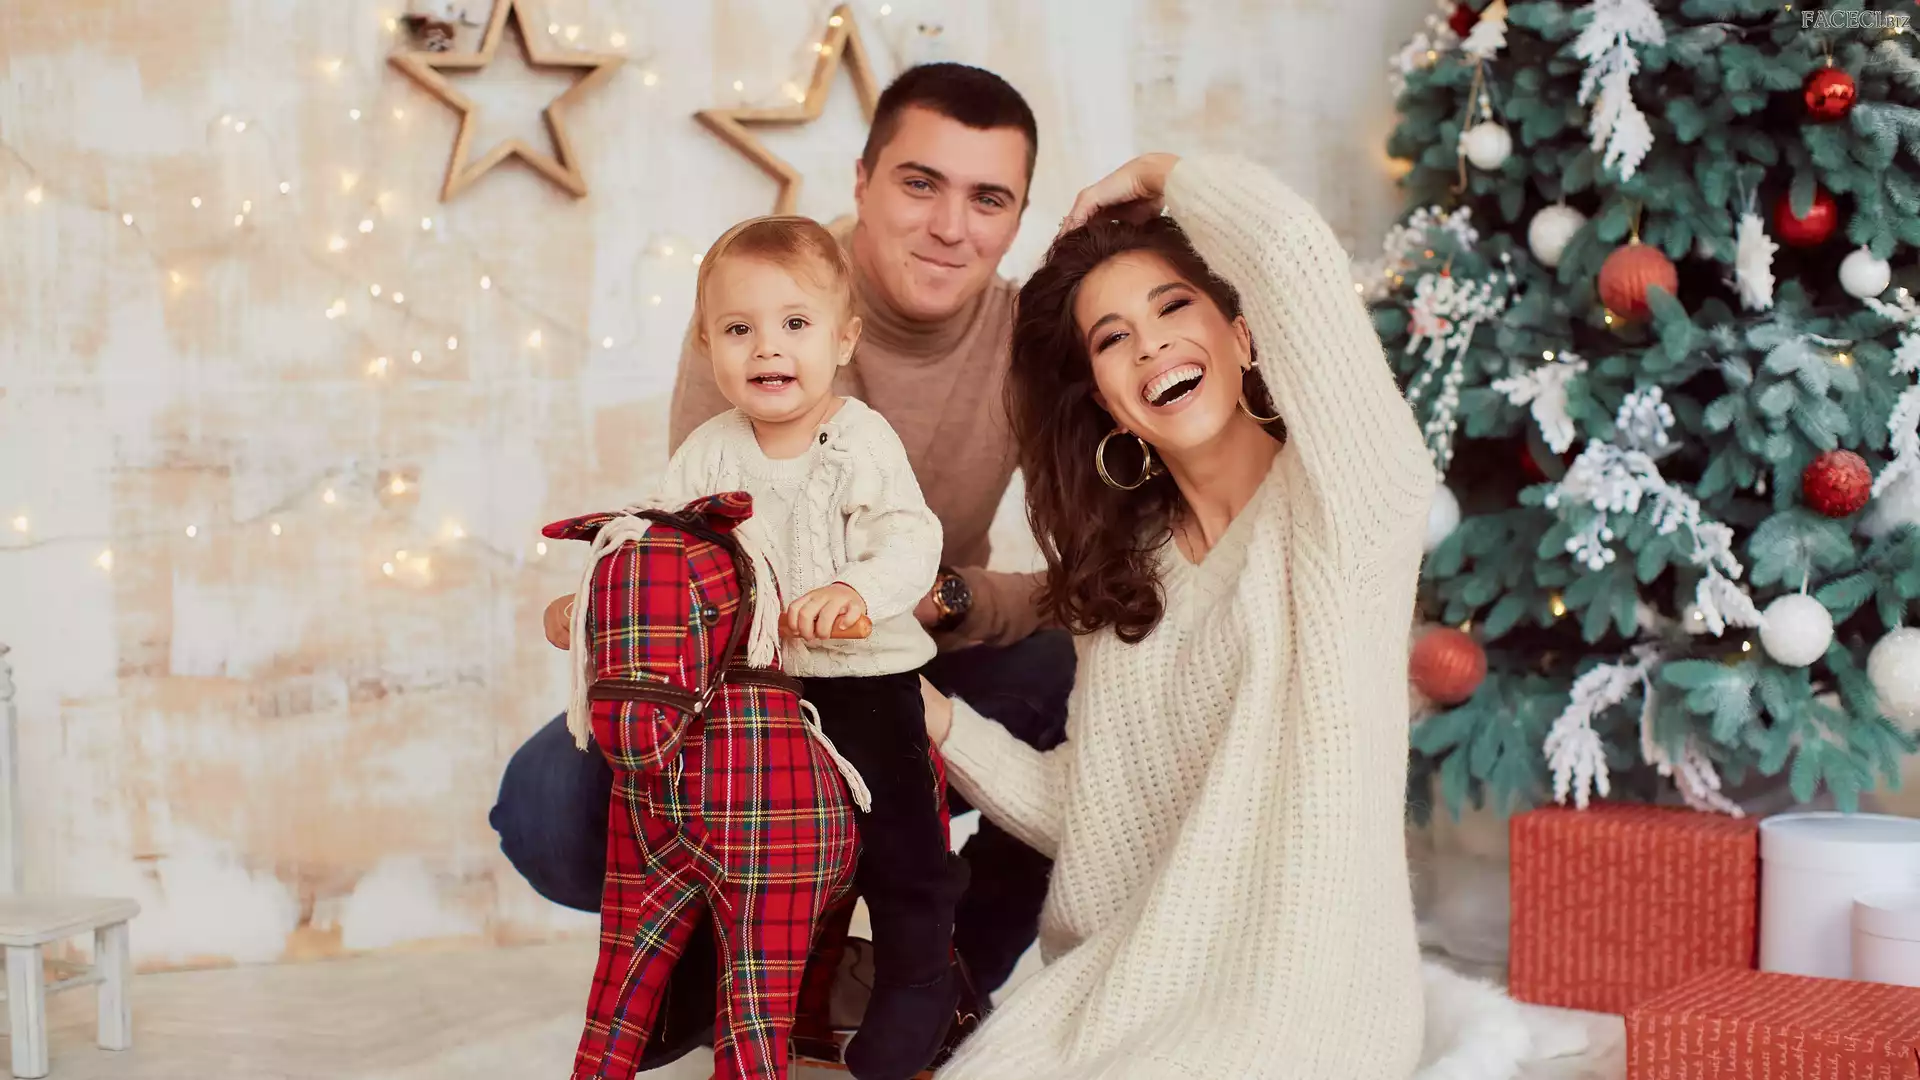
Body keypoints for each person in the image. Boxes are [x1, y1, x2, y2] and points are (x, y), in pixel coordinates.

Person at [490, 62, 1072, 1056]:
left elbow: (1087, 579)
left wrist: (948, 600)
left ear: (1018, 216)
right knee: (549, 803)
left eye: (989, 199)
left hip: (908, 648)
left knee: (1072, 685)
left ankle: (932, 982)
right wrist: (597, 610)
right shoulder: (754, 301)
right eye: (920, 183)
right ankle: (730, 956)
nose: (950, 227)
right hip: (745, 665)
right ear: (862, 180)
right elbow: (684, 537)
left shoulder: (1033, 346)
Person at [915, 151, 1481, 1078]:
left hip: (1318, 998)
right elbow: (1100, 820)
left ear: (1244, 337)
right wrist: (938, 722)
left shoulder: (1346, 504)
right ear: (1108, 402)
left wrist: (1163, 174)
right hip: (1130, 985)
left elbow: (1294, 253)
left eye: (1173, 308)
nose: (1150, 347)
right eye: (1112, 339)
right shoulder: (1128, 581)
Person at [621, 213, 965, 1078]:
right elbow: (660, 546)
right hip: (745, 689)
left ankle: (918, 976)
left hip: (860, 679)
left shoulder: (859, 440)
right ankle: (695, 978)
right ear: (708, 344)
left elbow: (910, 538)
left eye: (796, 324)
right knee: (702, 821)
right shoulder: (708, 453)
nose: (768, 347)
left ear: (843, 341)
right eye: (740, 329)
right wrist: (595, 597)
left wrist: (858, 593)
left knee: (899, 833)